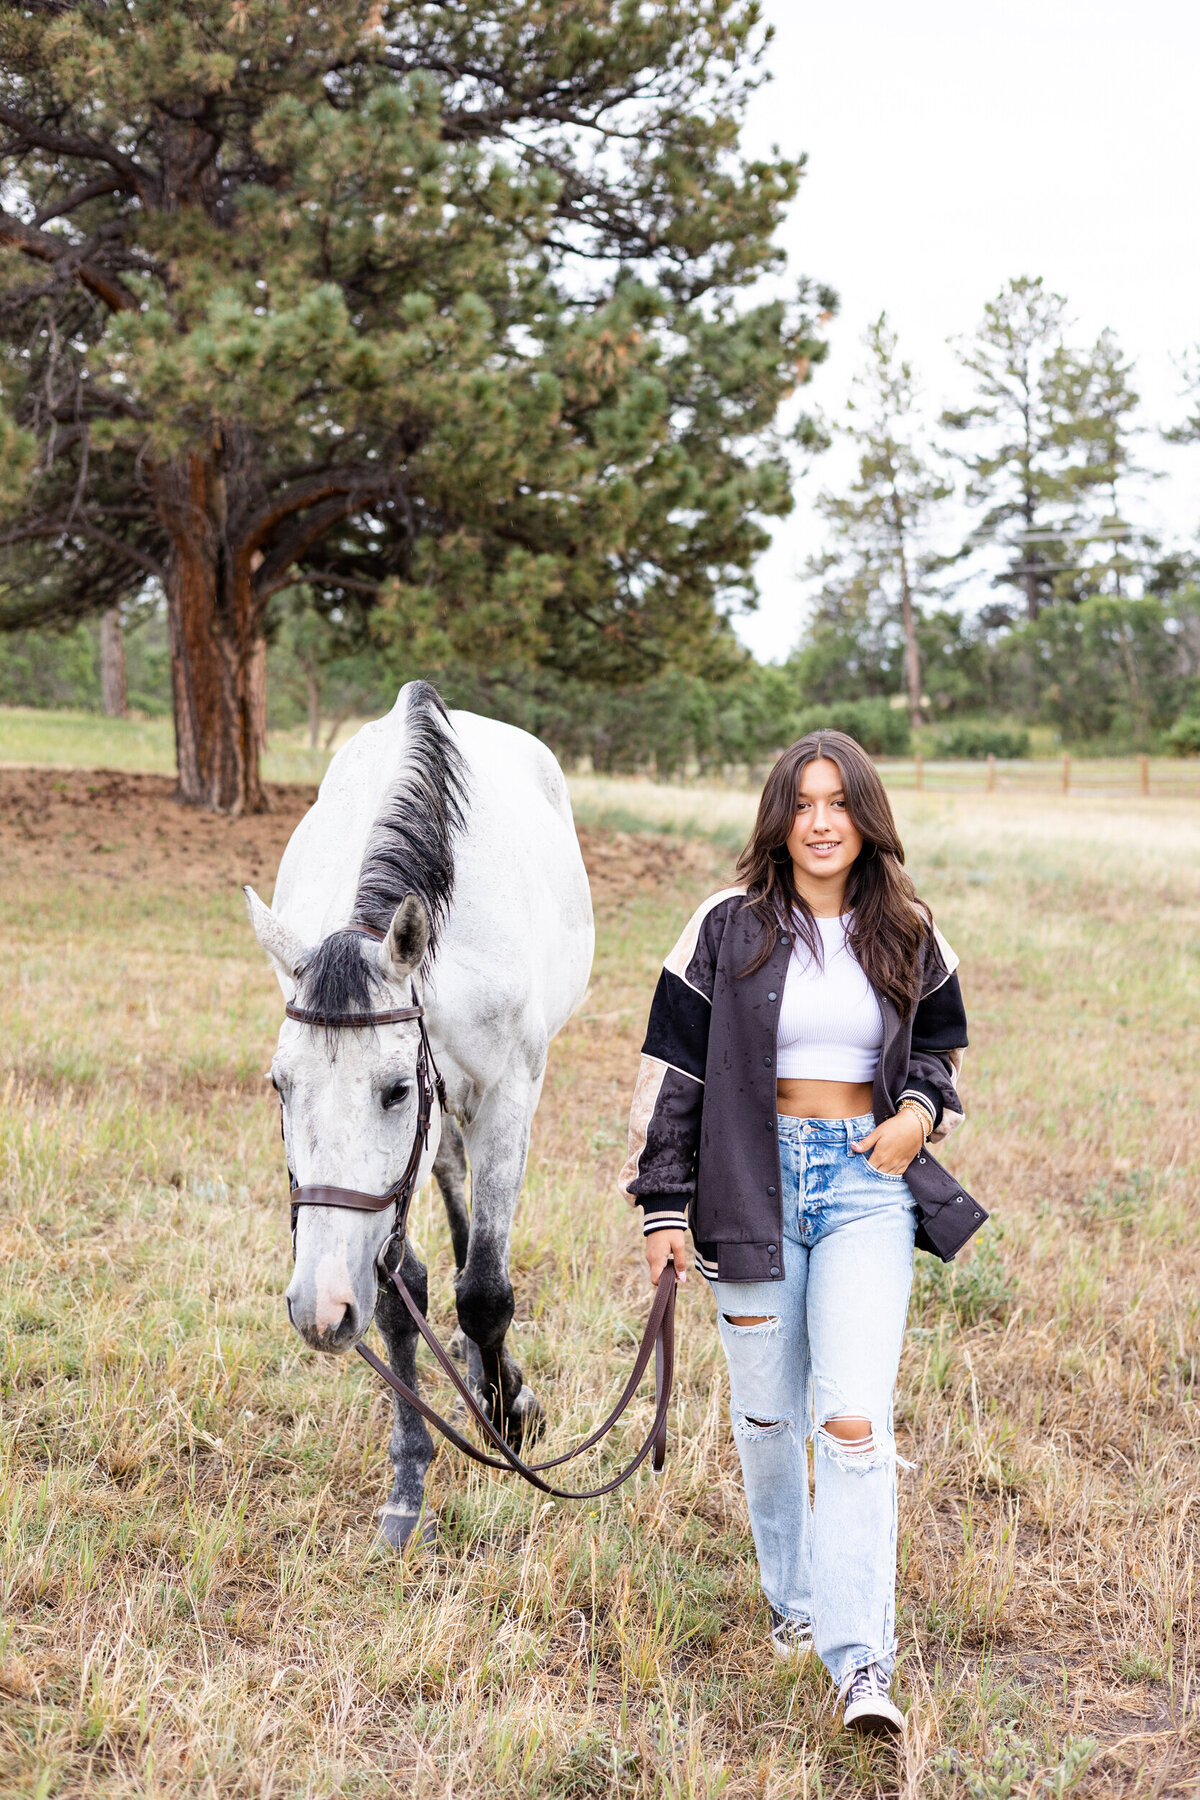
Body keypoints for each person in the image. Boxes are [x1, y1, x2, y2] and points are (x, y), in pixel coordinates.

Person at [620, 731, 983, 1737]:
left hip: (866, 1184)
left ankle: (861, 1660)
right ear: (778, 819)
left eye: (839, 803)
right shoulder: (722, 926)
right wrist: (661, 1204)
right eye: (803, 803)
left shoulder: (909, 928)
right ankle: (794, 1603)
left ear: (867, 818)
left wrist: (917, 1115)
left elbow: (943, 1053)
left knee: (853, 1419)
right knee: (771, 1423)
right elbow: (673, 1070)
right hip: (748, 1183)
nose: (821, 823)